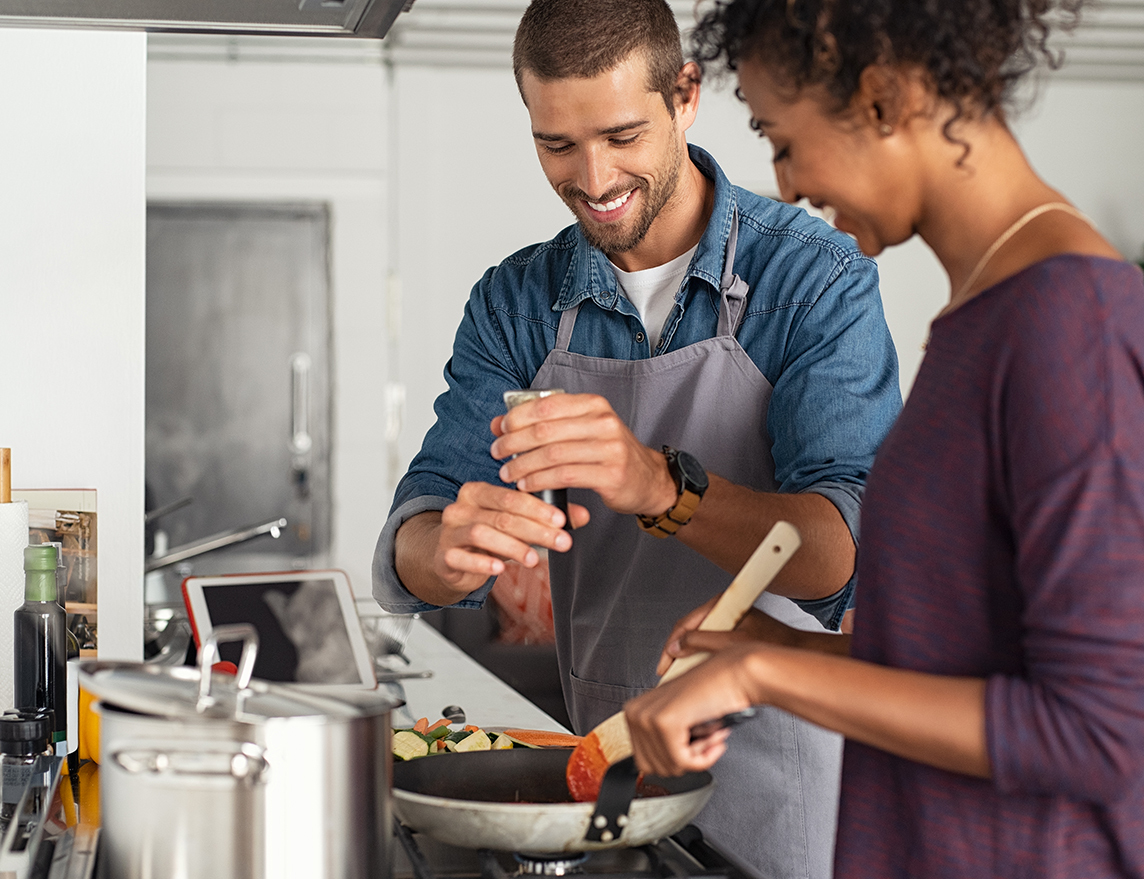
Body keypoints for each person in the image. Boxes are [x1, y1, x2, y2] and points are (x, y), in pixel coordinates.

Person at [372, 1, 902, 875]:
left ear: (685, 95)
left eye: (621, 135)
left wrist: (658, 484)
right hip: (609, 779)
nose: (593, 176)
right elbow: (413, 538)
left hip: (787, 790)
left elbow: (842, 552)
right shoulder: (515, 303)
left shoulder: (814, 278)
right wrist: (449, 548)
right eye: (557, 145)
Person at [622, 0, 1144, 876]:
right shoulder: (983, 317)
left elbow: (1100, 728)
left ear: (883, 98)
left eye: (782, 139)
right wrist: (777, 645)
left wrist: (765, 679)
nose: (783, 183)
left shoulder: (1070, 328)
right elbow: (972, 655)